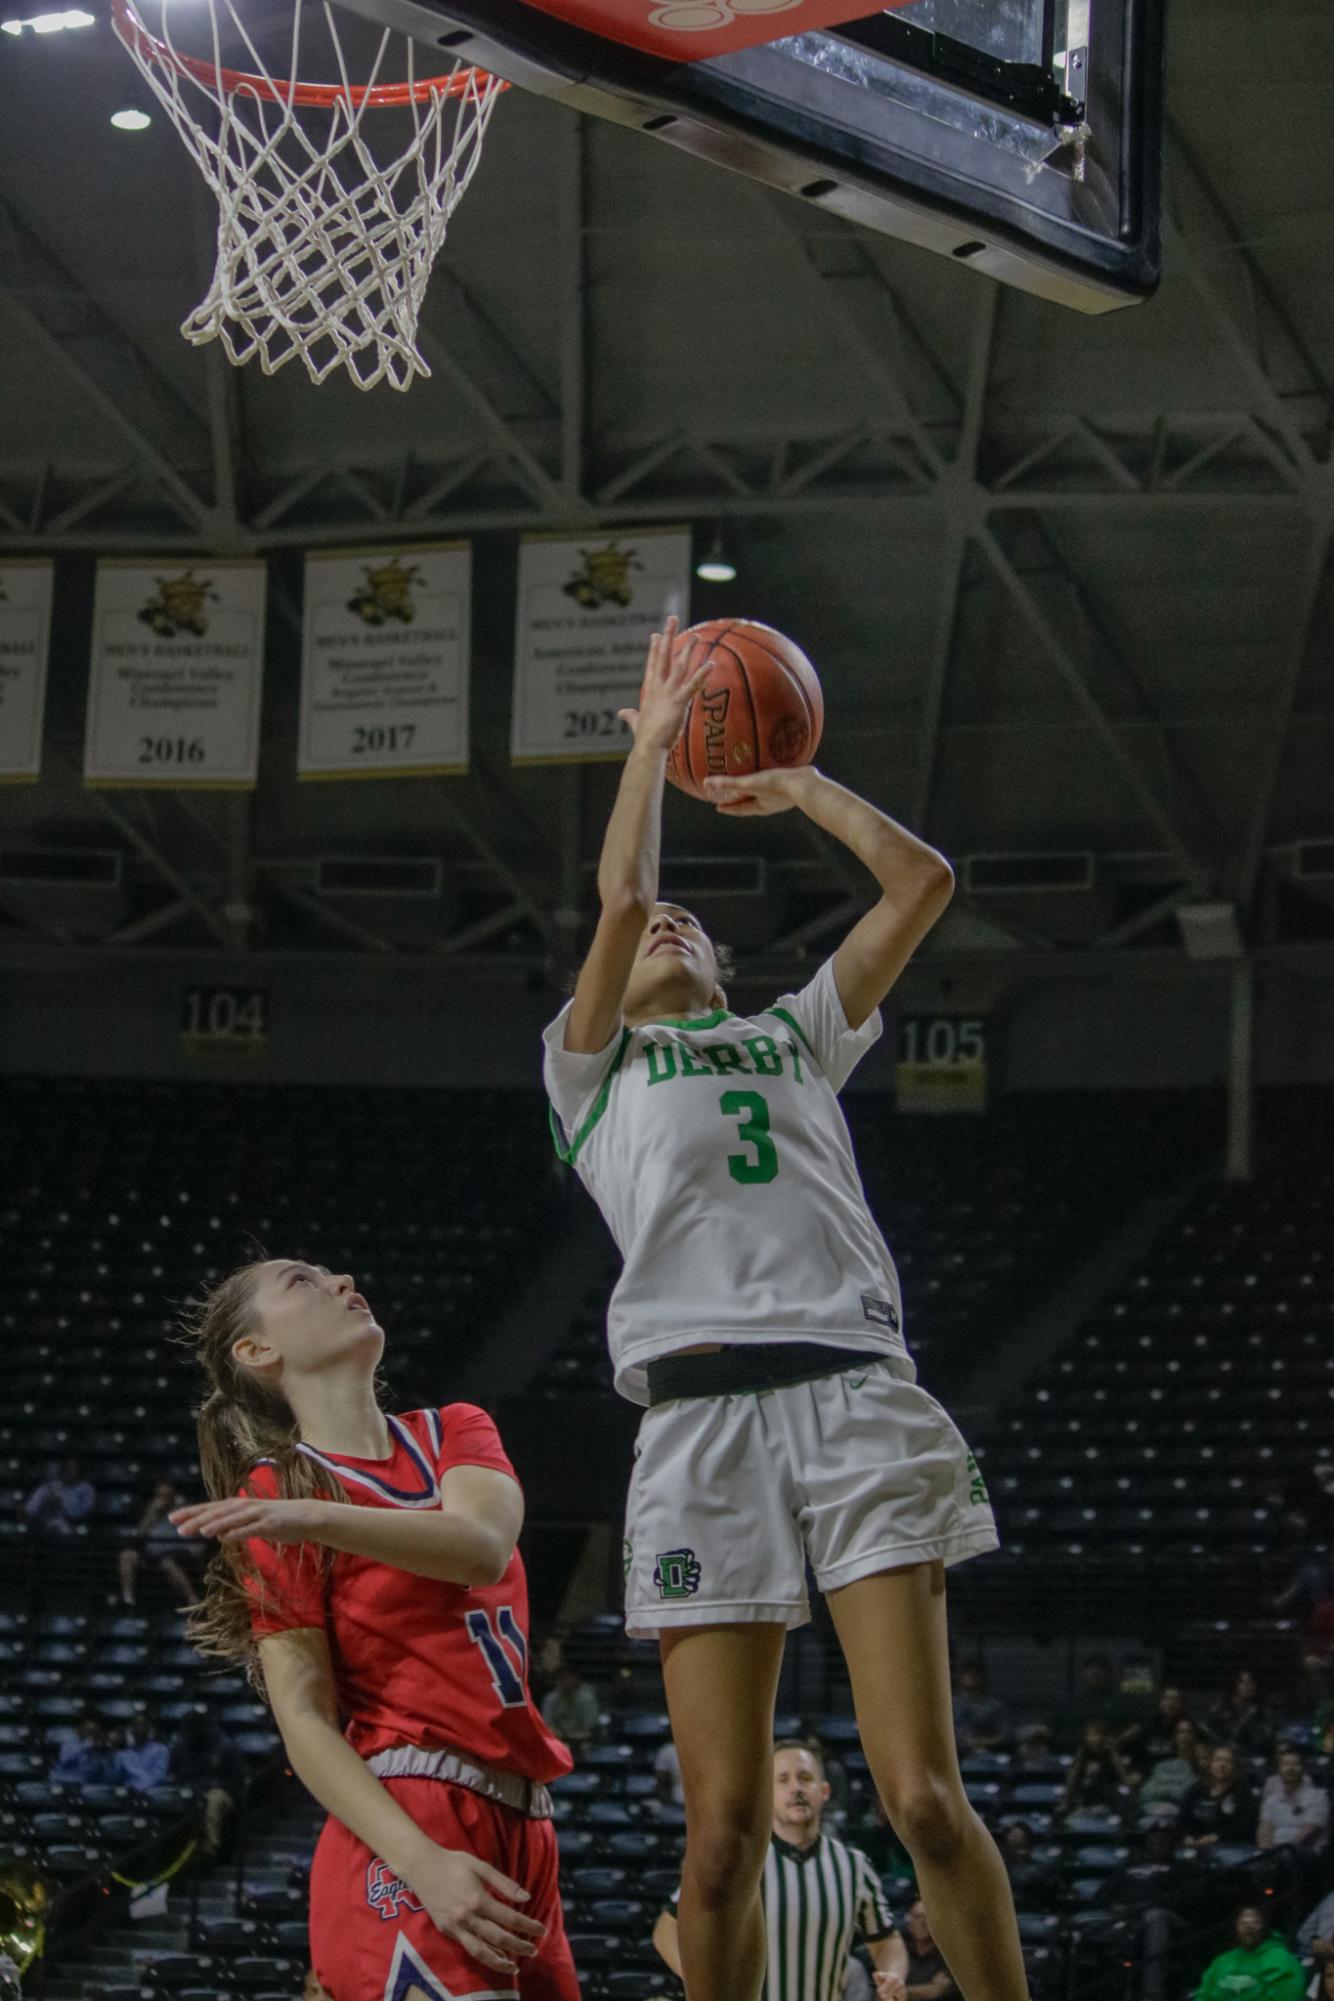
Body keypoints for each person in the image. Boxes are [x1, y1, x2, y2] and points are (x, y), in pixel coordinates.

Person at [542, 619, 1018, 2001]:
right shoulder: (590, 1077)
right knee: (718, 1840)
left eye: (697, 923)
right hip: (699, 1422)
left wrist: (793, 777)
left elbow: (919, 880)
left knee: (923, 1797)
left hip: (855, 1390)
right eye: (648, 933)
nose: (668, 927)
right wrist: (648, 753)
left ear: (730, 972)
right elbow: (622, 901)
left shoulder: (792, 1034)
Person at [168, 1258, 579, 2001]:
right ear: (258, 1351)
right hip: (412, 1814)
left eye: (331, 1272)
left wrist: (315, 1517)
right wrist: (420, 1862)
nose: (339, 1278)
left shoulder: (453, 1428)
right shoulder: (275, 1492)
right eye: (302, 1280)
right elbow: (304, 1719)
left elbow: (481, 1546)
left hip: (525, 1823)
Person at [653, 1741, 908, 2001]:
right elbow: (666, 1931)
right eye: (783, 1780)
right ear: (766, 1794)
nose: (796, 1788)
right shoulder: (738, 1862)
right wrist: (705, 1987)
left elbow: (887, 1941)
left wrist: (893, 1974)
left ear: (824, 1791)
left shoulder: (854, 1866)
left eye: (805, 1778)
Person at [171, 1705, 246, 1858]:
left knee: (213, 1799)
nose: (193, 1732)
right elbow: (174, 1774)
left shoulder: (225, 1747)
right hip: (189, 1789)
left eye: (196, 1727)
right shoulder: (180, 1747)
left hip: (220, 1791)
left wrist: (212, 1785)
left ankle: (210, 1846)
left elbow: (237, 1780)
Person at [1193, 1904, 1304, 2001]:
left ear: (1265, 1927)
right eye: (1243, 1922)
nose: (1248, 1927)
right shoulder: (1222, 1961)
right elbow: (1204, 1995)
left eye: (1255, 1922)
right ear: (1235, 1928)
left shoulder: (1281, 1959)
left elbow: (1286, 1997)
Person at [119, 1481, 201, 1608]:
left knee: (167, 1563)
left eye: (166, 1495)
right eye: (159, 1495)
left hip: (176, 1553)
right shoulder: (152, 1511)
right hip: (151, 1553)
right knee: (126, 1556)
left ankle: (192, 1598)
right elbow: (140, 1534)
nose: (162, 1499)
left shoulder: (181, 1510)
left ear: (173, 1496)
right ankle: (127, 1596)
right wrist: (151, 1513)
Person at [1178, 1744, 1257, 1853]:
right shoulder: (1196, 1788)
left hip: (1230, 1846)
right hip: (1195, 1845)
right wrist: (1186, 1836)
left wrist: (1216, 1837)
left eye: (1228, 1761)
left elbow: (1245, 1825)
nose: (1222, 1765)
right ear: (1210, 1764)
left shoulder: (1242, 1791)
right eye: (1217, 1760)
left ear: (1235, 1767)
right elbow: (1182, 1818)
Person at [1257, 1746, 1330, 1854]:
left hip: (1304, 1852)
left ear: (1304, 1769)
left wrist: (1283, 1851)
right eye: (1285, 1764)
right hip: (1274, 1853)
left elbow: (1310, 1832)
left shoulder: (1318, 1797)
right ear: (1279, 1769)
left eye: (1296, 1764)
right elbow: (1265, 1828)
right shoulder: (1272, 1799)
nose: (1290, 1769)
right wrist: (1265, 1852)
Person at [1059, 1719, 1138, 1817]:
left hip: (1109, 1789)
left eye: (1096, 1735)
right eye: (1089, 1735)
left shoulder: (1110, 1751)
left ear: (1103, 1737)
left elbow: (1121, 1773)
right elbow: (1073, 1775)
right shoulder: (1083, 1751)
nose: (1092, 1739)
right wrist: (1066, 1800)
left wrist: (1132, 1792)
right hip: (1088, 1790)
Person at [1140, 1719, 1205, 1813]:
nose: (1185, 1736)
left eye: (1189, 1732)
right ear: (1175, 1737)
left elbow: (1187, 1795)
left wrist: (1164, 1791)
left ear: (1195, 1736)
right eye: (1181, 1732)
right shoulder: (1162, 1765)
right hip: (1153, 1812)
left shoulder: (1200, 1765)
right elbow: (1145, 1793)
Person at [1206, 1670, 1274, 1759]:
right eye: (1243, 1682)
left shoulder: (1263, 1713)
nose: (1247, 1686)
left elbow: (1263, 1741)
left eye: (1251, 1682)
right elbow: (1212, 1736)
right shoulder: (1219, 1710)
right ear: (1235, 1684)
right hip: (1224, 1755)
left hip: (1252, 1756)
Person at [900, 1901, 958, 2001]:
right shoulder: (899, 1950)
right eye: (917, 1917)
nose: (922, 1923)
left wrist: (899, 1990)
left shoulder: (949, 1954)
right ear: (909, 1922)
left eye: (927, 1917)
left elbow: (936, 1991)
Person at [24, 1456, 95, 1537]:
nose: (69, 1471)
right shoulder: (49, 1486)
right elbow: (30, 1508)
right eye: (67, 1468)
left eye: (73, 1468)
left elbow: (84, 1511)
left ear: (79, 1470)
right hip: (46, 1530)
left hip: (73, 1530)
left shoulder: (86, 1489)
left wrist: (61, 1504)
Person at [539, 1666, 601, 1749]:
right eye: (559, 1679)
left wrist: (574, 1738)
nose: (562, 1682)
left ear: (576, 1679)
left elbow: (591, 1728)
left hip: (584, 1741)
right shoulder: (550, 1699)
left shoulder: (587, 1699)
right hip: (559, 1740)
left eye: (566, 1678)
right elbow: (548, 1724)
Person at [952, 1666, 1008, 1756]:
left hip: (988, 1754)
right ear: (961, 1678)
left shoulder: (994, 1707)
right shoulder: (952, 1706)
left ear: (982, 1678)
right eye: (967, 1674)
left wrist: (982, 1742)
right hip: (957, 1755)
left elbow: (1003, 1735)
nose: (971, 1677)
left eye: (975, 1674)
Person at [48, 1712, 113, 1788]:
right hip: (63, 1783)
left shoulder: (99, 1749)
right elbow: (65, 1761)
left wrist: (103, 1755)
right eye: (88, 1729)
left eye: (94, 1731)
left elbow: (103, 1774)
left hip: (85, 1787)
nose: (91, 1733)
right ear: (80, 1729)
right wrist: (87, 1745)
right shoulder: (69, 1744)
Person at [999, 1825, 1057, 1909]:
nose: (1016, 1837)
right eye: (1013, 1835)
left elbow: (1049, 1895)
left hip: (1034, 1910)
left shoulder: (1041, 1869)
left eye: (1022, 1848)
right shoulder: (997, 1869)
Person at [114, 1711, 172, 1794]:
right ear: (131, 1729)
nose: (139, 1729)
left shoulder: (161, 1750)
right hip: (127, 1796)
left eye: (142, 1725)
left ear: (149, 1728)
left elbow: (159, 1776)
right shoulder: (122, 1754)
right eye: (135, 1725)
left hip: (152, 1796)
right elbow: (114, 1778)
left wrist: (138, 1787)